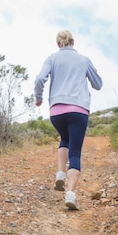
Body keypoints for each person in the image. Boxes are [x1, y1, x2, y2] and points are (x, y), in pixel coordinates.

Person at [34, 30, 103, 210]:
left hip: (56, 111)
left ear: (58, 44)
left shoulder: (52, 58)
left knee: (64, 139)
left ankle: (60, 174)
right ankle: (70, 194)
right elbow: (98, 84)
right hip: (78, 110)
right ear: (73, 42)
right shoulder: (83, 59)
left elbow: (40, 78)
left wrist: (39, 98)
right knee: (75, 153)